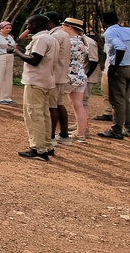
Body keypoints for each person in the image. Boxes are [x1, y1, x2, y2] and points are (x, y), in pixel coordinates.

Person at [12, 14, 59, 161]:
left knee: (34, 114)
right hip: (46, 80)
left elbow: (34, 60)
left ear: (35, 24)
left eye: (29, 24)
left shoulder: (40, 39)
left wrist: (16, 51)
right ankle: (47, 145)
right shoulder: (52, 38)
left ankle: (38, 149)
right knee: (44, 114)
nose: (27, 27)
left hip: (36, 81)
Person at [97, 12, 130, 140]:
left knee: (117, 100)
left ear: (104, 22)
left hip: (120, 68)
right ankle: (128, 128)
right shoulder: (127, 30)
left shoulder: (110, 32)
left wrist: (114, 66)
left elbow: (120, 48)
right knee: (126, 99)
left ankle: (116, 130)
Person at [43, 11, 72, 146]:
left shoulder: (54, 36)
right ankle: (64, 134)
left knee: (51, 106)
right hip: (62, 74)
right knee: (59, 104)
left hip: (54, 75)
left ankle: (51, 136)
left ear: (49, 22)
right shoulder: (64, 34)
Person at [61, 18, 89, 143]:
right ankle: (80, 134)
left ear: (69, 27)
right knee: (78, 105)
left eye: (64, 26)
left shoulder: (70, 42)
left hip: (68, 76)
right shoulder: (82, 41)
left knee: (56, 103)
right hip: (80, 75)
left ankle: (58, 132)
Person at [0, 21, 16, 104]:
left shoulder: (10, 37)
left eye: (10, 28)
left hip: (10, 56)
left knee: (8, 77)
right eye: (6, 28)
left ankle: (6, 96)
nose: (8, 29)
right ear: (1, 28)